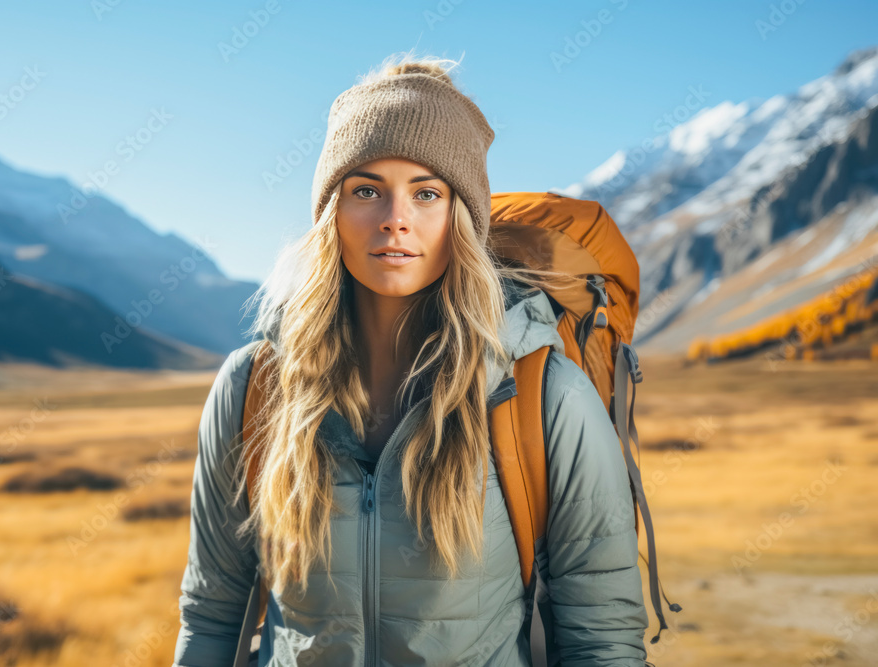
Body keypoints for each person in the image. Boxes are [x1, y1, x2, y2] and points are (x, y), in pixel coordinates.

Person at [173, 51, 648, 666]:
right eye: (366, 190)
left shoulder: (543, 395)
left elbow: (601, 641)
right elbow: (211, 615)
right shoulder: (252, 389)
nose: (395, 220)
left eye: (426, 193)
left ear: (461, 220)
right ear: (330, 214)